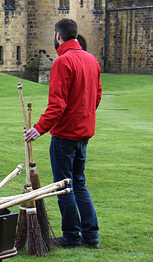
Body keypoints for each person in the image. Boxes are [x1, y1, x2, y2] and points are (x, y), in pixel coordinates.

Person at [25, 18, 102, 250]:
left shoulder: (63, 62)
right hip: (83, 133)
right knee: (79, 183)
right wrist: (83, 116)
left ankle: (72, 235)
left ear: (58, 36)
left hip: (66, 134)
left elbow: (57, 104)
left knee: (64, 185)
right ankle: (91, 235)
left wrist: (39, 128)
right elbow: (96, 97)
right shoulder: (92, 60)